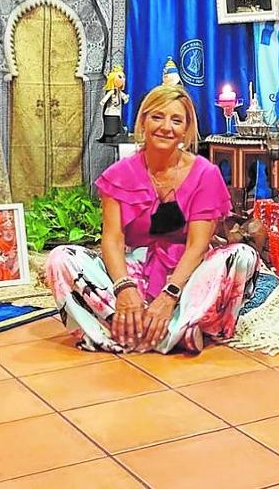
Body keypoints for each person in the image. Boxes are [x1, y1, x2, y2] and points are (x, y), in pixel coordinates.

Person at [44, 84, 259, 353]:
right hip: (135, 270)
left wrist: (169, 295)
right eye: (157, 116)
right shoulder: (118, 174)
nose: (166, 127)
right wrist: (124, 289)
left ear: (186, 129)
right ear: (143, 120)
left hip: (187, 275)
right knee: (61, 258)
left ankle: (144, 330)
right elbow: (112, 239)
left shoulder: (205, 173)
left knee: (242, 256)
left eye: (176, 120)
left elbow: (197, 246)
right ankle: (172, 333)